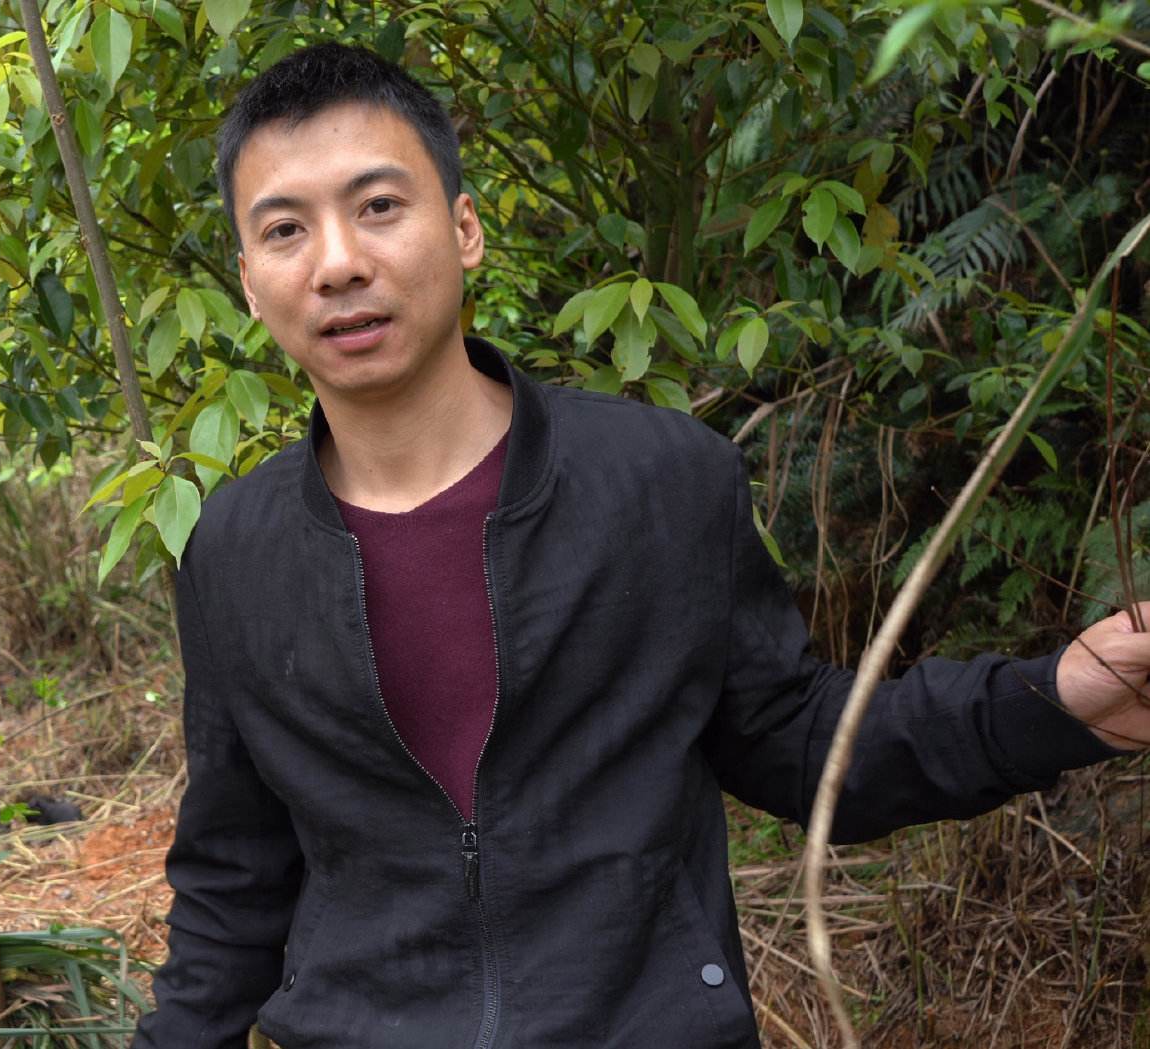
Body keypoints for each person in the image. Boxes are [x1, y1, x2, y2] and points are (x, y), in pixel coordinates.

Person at [128, 42, 1148, 1049]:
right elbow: (233, 882)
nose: (338, 263)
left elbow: (801, 741)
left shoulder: (659, 481)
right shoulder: (235, 553)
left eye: (379, 206)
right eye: (284, 229)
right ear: (250, 282)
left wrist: (1056, 700)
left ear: (464, 227)